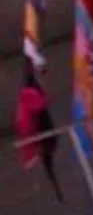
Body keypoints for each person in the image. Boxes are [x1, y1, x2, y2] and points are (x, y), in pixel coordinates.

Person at [15, 63, 60, 200]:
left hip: (36, 125)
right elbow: (41, 105)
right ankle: (36, 163)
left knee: (47, 152)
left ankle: (52, 182)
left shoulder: (26, 94)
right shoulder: (30, 93)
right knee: (48, 148)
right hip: (38, 126)